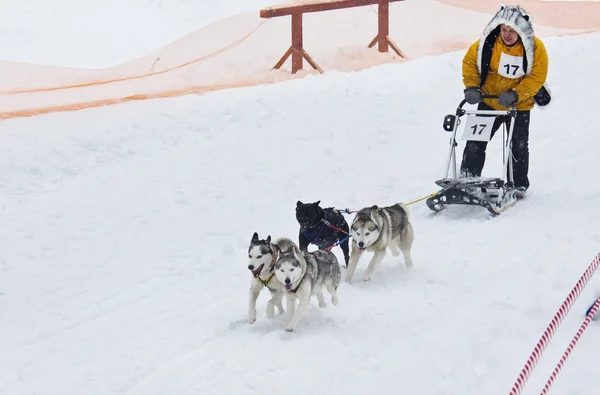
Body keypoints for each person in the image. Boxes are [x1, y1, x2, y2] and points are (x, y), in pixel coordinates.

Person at [460, 5, 551, 198]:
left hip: (518, 106)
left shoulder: (535, 49)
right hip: (489, 101)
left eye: (512, 31)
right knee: (475, 141)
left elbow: (536, 77)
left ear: (521, 32)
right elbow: (469, 63)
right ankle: (467, 179)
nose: (507, 35)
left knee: (517, 145)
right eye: (503, 30)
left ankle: (518, 184)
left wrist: (517, 94)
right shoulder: (487, 44)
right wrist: (471, 87)